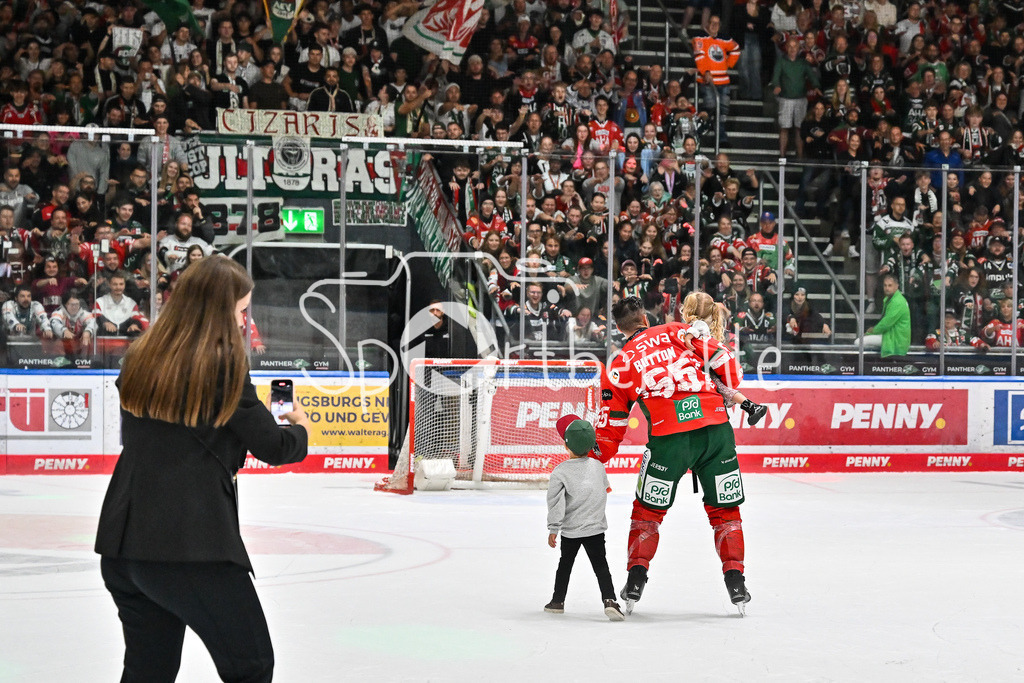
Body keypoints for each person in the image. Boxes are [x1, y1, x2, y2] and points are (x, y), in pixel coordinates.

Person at [95, 255, 310, 682]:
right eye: (241, 310)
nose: (244, 320)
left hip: (123, 545)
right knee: (250, 666)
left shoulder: (140, 356)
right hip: (190, 545)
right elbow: (274, 446)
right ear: (219, 310)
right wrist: (301, 427)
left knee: (147, 670)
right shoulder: (223, 366)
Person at [596, 295, 751, 615]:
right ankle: (736, 581)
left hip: (670, 439)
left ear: (618, 329)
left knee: (647, 511)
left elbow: (610, 431)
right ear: (646, 320)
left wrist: (591, 457)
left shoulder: (620, 363)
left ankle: (636, 578)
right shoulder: (676, 331)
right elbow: (728, 368)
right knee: (726, 511)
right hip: (716, 432)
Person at [545, 413, 624, 621]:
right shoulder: (598, 467)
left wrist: (553, 528)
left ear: (566, 445)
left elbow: (556, 502)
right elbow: (605, 489)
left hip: (571, 531)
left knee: (565, 566)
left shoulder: (560, 472)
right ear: (591, 445)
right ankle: (610, 600)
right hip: (596, 529)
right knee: (601, 567)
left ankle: (557, 601)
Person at [680, 292, 767, 425]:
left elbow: (698, 328)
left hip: (705, 368)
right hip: (705, 367)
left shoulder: (698, 324)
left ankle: (750, 406)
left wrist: (688, 336)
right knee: (723, 389)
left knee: (722, 389)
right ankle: (750, 406)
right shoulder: (704, 325)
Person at [859, 274, 911, 357]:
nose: (887, 288)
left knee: (858, 342)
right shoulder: (889, 299)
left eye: (890, 285)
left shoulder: (898, 302)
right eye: (885, 285)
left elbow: (886, 323)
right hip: (889, 335)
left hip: (895, 339)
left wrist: (871, 332)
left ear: (896, 286)